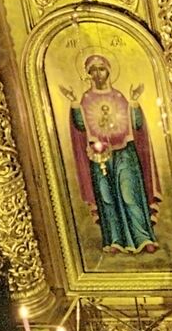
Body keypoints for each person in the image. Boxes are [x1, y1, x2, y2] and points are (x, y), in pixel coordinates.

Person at [66, 54, 161, 254]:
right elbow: (81, 125)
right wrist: (74, 104)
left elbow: (135, 124)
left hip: (124, 154)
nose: (98, 74)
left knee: (129, 195)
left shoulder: (118, 97)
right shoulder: (86, 99)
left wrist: (134, 102)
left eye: (102, 69)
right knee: (107, 198)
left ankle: (142, 237)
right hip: (99, 156)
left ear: (109, 71)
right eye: (94, 70)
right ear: (89, 74)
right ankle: (115, 239)